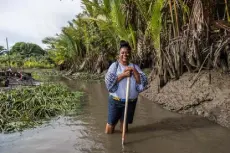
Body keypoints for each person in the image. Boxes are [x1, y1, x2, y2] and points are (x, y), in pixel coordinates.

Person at [104, 40, 148, 134]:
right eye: (123, 52)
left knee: (124, 126)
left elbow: (142, 84)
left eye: (127, 52)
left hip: (130, 102)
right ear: (119, 54)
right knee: (110, 125)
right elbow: (109, 83)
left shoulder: (134, 66)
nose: (125, 54)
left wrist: (134, 71)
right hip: (115, 101)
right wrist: (123, 75)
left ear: (130, 54)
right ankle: (108, 143)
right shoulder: (114, 66)